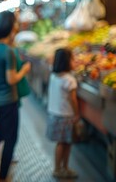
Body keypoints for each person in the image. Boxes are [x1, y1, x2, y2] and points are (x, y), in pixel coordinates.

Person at [0, 11, 31, 182]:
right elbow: (12, 79)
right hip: (8, 102)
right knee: (10, 139)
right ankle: (3, 177)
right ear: (10, 28)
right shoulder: (8, 52)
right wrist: (24, 70)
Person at [46, 48, 80, 179]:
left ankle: (63, 168)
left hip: (54, 115)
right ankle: (59, 168)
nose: (75, 61)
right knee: (64, 143)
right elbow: (73, 100)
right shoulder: (69, 80)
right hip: (65, 116)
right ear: (67, 62)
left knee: (63, 143)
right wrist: (77, 114)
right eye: (73, 59)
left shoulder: (53, 76)